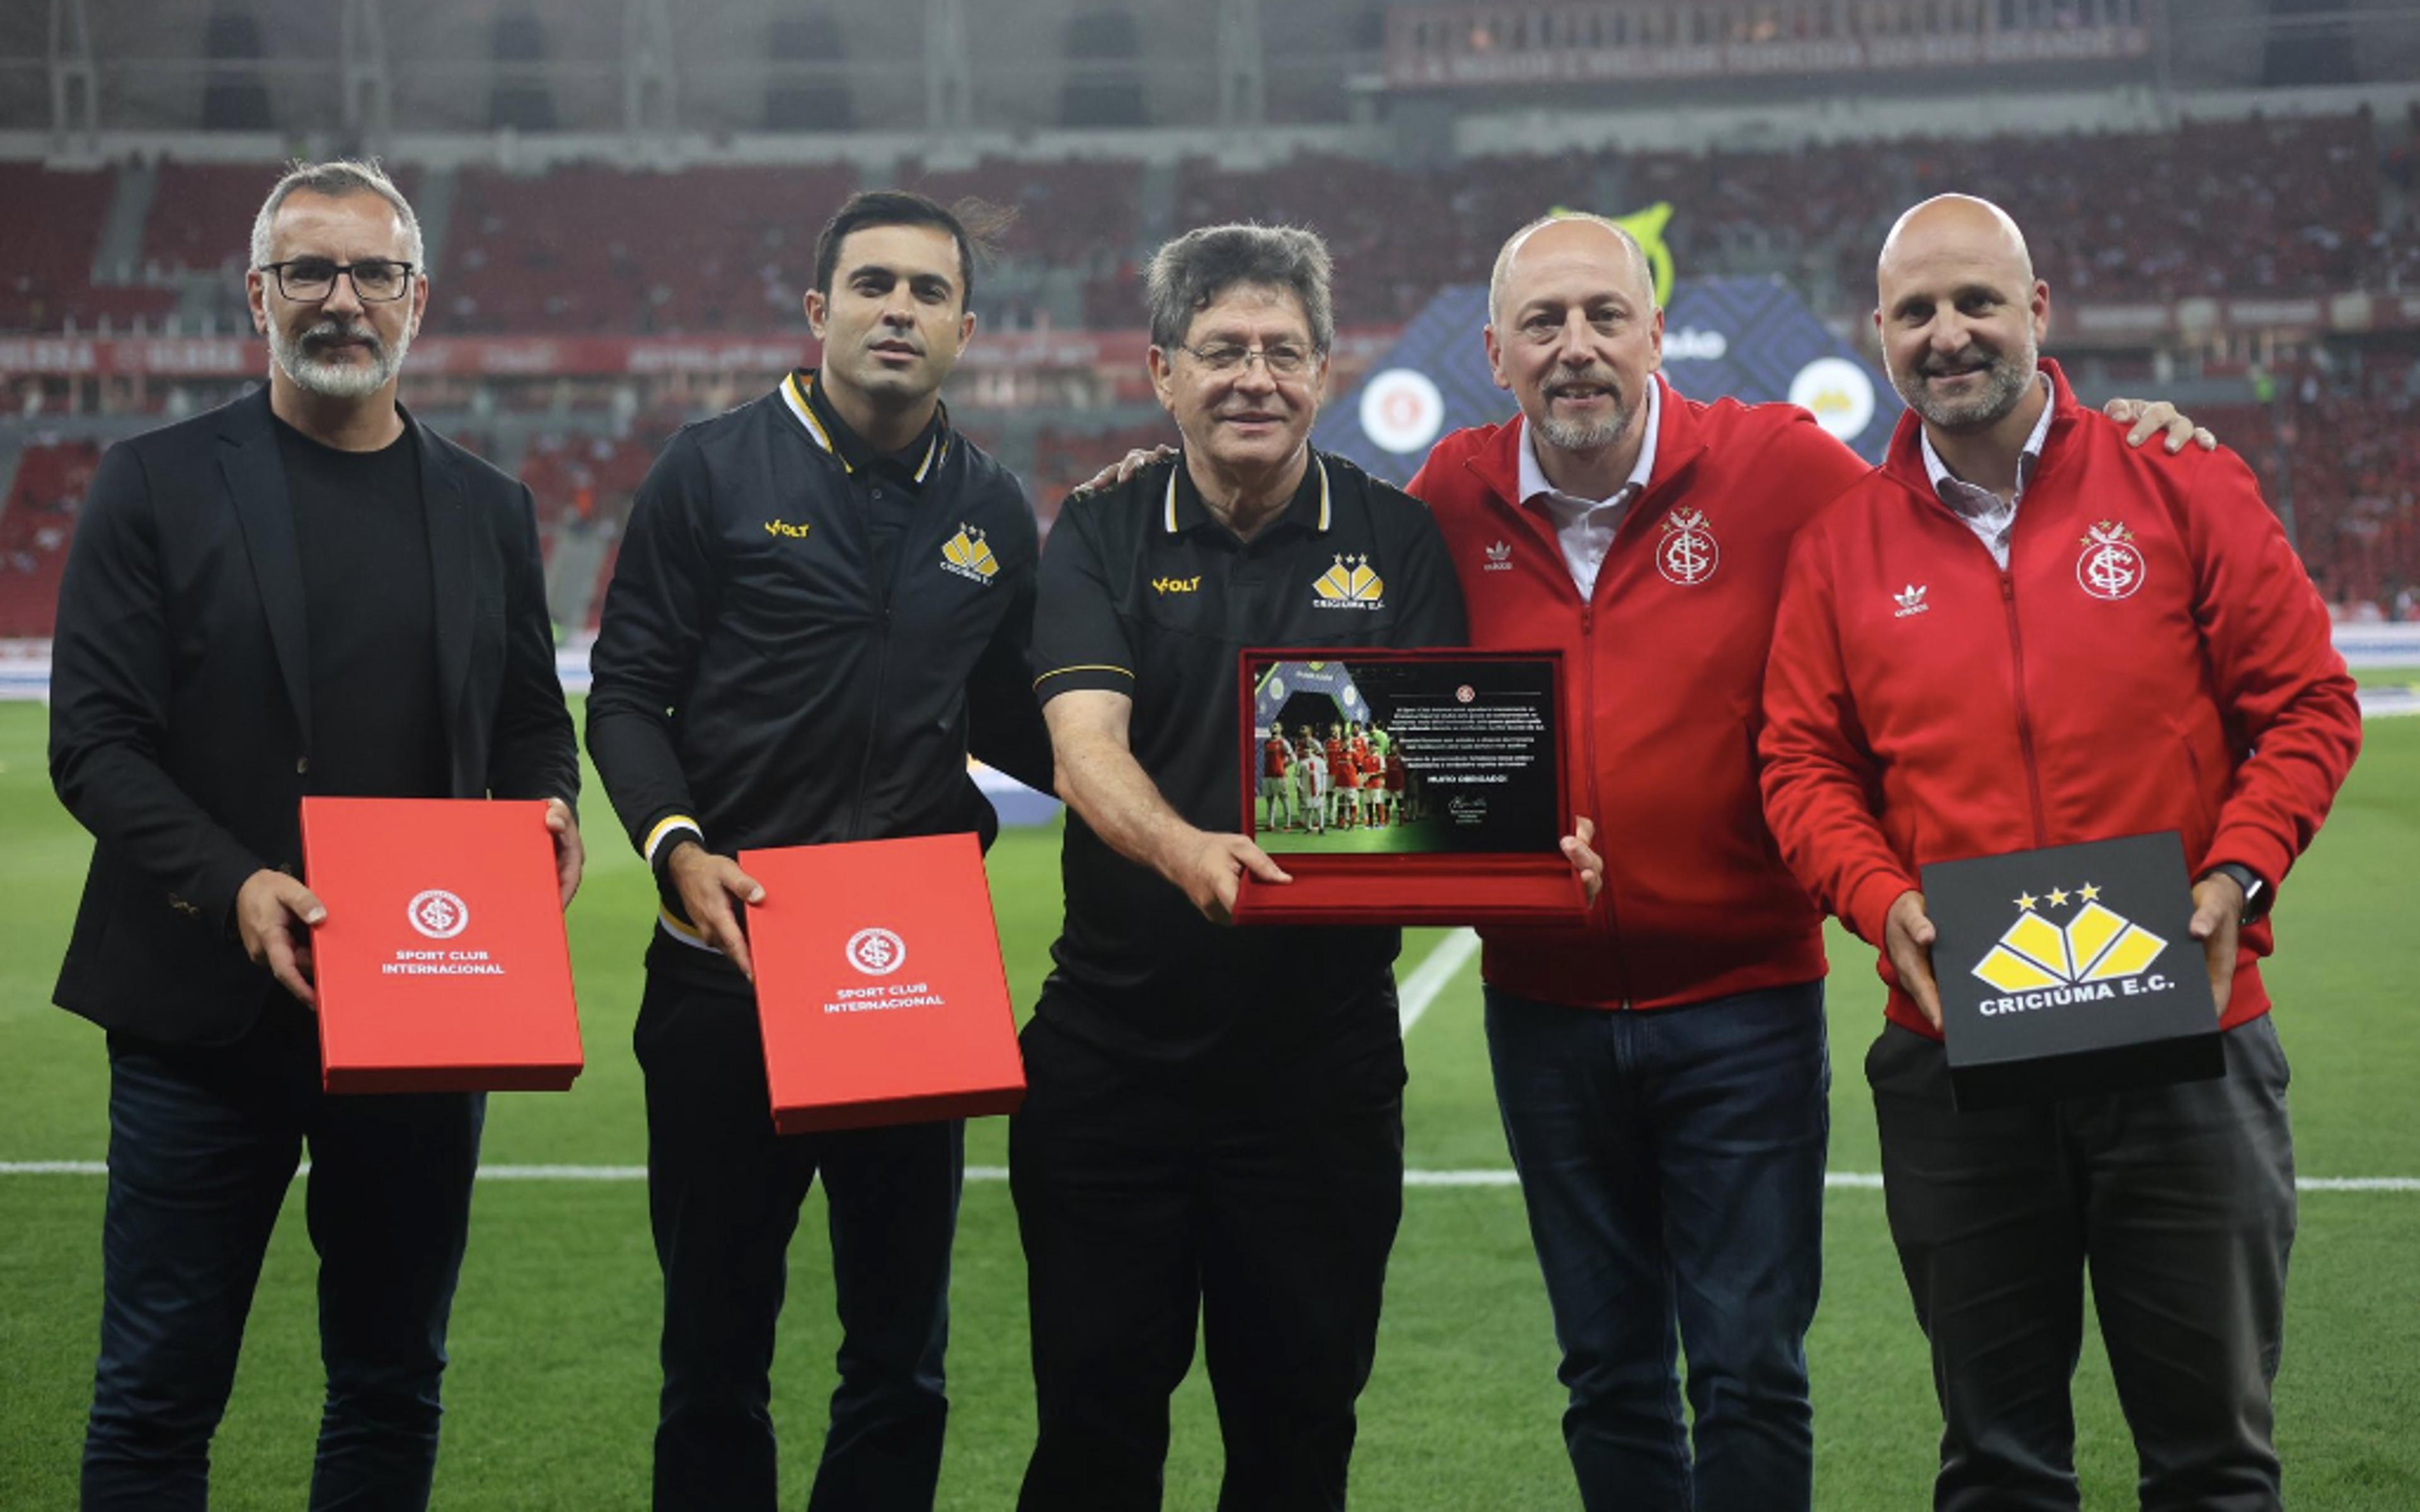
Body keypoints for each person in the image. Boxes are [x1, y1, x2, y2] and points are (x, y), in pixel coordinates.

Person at [1400, 212, 2213, 1512]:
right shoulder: (1448, 496)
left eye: (1605, 316)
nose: (1576, 349)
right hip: (1542, 1018)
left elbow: (1957, 508)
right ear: (1493, 353)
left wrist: (2112, 446)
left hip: (1743, 1010)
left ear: (1656, 334)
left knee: (1747, 1371)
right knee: (1605, 1371)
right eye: (1542, 324)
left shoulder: (1777, 465)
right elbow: (1326, 611)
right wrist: (1144, 491)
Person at [1759, 194, 2361, 1512]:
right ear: (1879, 336)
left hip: (2190, 1040)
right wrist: (1880, 902)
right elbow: (1802, 768)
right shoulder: (1839, 548)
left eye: (1977, 300)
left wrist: (2234, 877)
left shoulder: (2182, 477)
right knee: (2000, 1470)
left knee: (2213, 1467)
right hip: (1957, 1053)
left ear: (2039, 311)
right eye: (1916, 311)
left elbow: (2309, 705)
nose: (1949, 333)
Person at [48, 158, 581, 1510]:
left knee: (393, 1381)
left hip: (420, 1011)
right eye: (310, 273)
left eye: (372, 275)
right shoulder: (153, 483)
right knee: (158, 1389)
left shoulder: (488, 509)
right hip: (199, 1021)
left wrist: (551, 803)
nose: (342, 301)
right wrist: (234, 886)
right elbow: (96, 745)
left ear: (418, 299)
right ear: (256, 295)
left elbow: (529, 718)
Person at [1011, 222, 1511, 1512]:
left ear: (1327, 374)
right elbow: (1083, 749)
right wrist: (1187, 851)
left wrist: (1516, 835)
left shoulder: (1397, 542)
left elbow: (1442, 786)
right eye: (1222, 351)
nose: (1255, 378)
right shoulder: (1102, 529)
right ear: (1162, 372)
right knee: (1093, 1429)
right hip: (1111, 1071)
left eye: (1283, 352)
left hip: (1318, 1082)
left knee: (1299, 1437)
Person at [584, 190, 1051, 1512]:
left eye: (926, 291)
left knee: (902, 1357)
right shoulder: (712, 467)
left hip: (910, 973)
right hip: (725, 968)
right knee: (715, 1352)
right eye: (871, 285)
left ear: (966, 327)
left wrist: (1188, 800)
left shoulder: (993, 508)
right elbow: (625, 695)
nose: (897, 309)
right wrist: (677, 847)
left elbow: (1035, 724)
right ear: (819, 311)